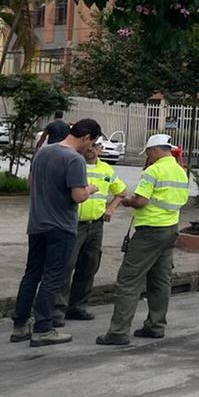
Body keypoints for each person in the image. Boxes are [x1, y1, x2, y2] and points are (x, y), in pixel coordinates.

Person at [10, 119, 102, 347]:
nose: (90, 148)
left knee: (31, 274)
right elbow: (78, 196)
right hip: (60, 228)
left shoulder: (43, 153)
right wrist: (91, 188)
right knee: (53, 277)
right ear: (86, 137)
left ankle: (20, 325)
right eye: (92, 143)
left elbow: (31, 184)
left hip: (37, 224)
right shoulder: (74, 159)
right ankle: (43, 328)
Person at [96, 134, 189, 346]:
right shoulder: (180, 171)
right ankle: (156, 326)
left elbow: (141, 201)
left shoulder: (153, 171)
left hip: (149, 232)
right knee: (160, 279)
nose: (148, 157)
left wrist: (128, 202)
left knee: (129, 279)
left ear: (155, 150)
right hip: (170, 230)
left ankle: (118, 332)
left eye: (149, 153)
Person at [52, 138, 127, 326]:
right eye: (90, 145)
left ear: (100, 149)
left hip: (96, 225)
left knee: (89, 265)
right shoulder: (75, 164)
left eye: (96, 146)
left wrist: (111, 208)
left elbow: (122, 192)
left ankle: (77, 306)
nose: (92, 150)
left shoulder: (106, 170)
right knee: (67, 265)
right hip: (74, 224)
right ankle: (57, 310)